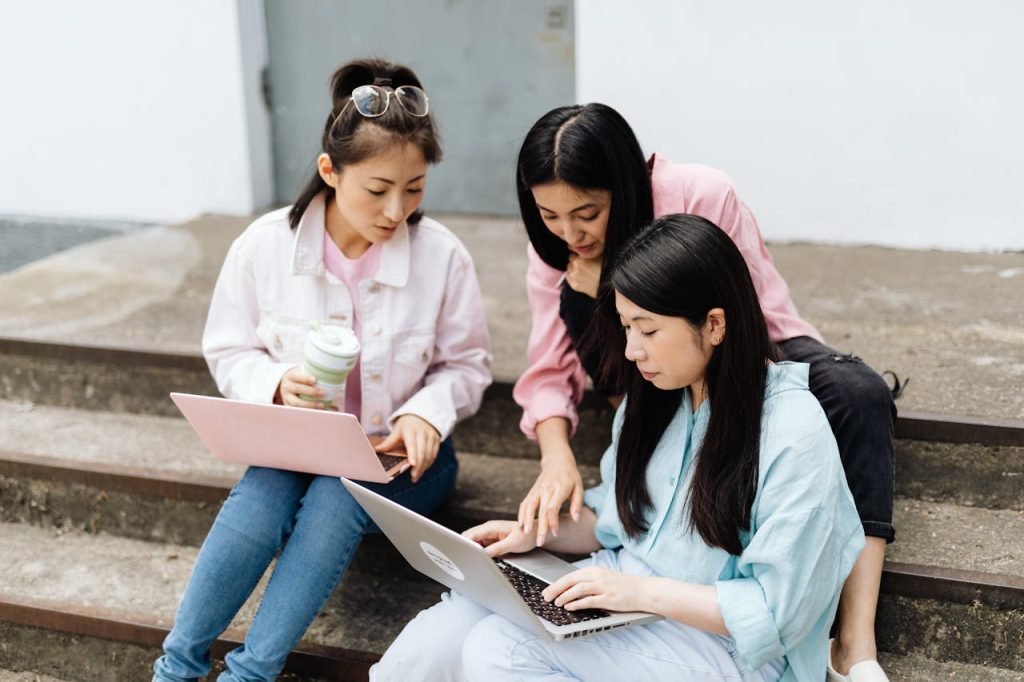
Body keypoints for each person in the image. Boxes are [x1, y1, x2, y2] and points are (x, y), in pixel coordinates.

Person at [372, 213, 865, 681]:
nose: (632, 350)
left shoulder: (792, 432)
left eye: (648, 330)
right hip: (623, 591)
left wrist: (641, 593)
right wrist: (534, 535)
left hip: (729, 648)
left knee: (502, 649)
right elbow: (615, 517)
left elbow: (774, 615)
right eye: (626, 326)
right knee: (432, 644)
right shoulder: (655, 399)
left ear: (714, 325)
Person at [511, 104, 895, 682]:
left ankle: (855, 641)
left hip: (747, 341)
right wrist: (555, 458)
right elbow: (548, 369)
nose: (570, 233)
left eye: (586, 213)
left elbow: (740, 312)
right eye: (549, 216)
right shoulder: (563, 253)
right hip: (652, 375)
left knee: (858, 395)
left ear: (624, 186)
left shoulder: (700, 193)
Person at [152, 58, 492, 681]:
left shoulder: (442, 255)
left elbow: (467, 366)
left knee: (341, 492)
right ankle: (175, 668)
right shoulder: (263, 246)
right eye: (378, 189)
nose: (397, 210)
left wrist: (426, 413)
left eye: (414, 188)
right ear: (330, 170)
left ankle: (250, 674)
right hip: (298, 446)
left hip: (401, 457)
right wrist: (275, 384)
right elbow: (228, 349)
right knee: (261, 493)